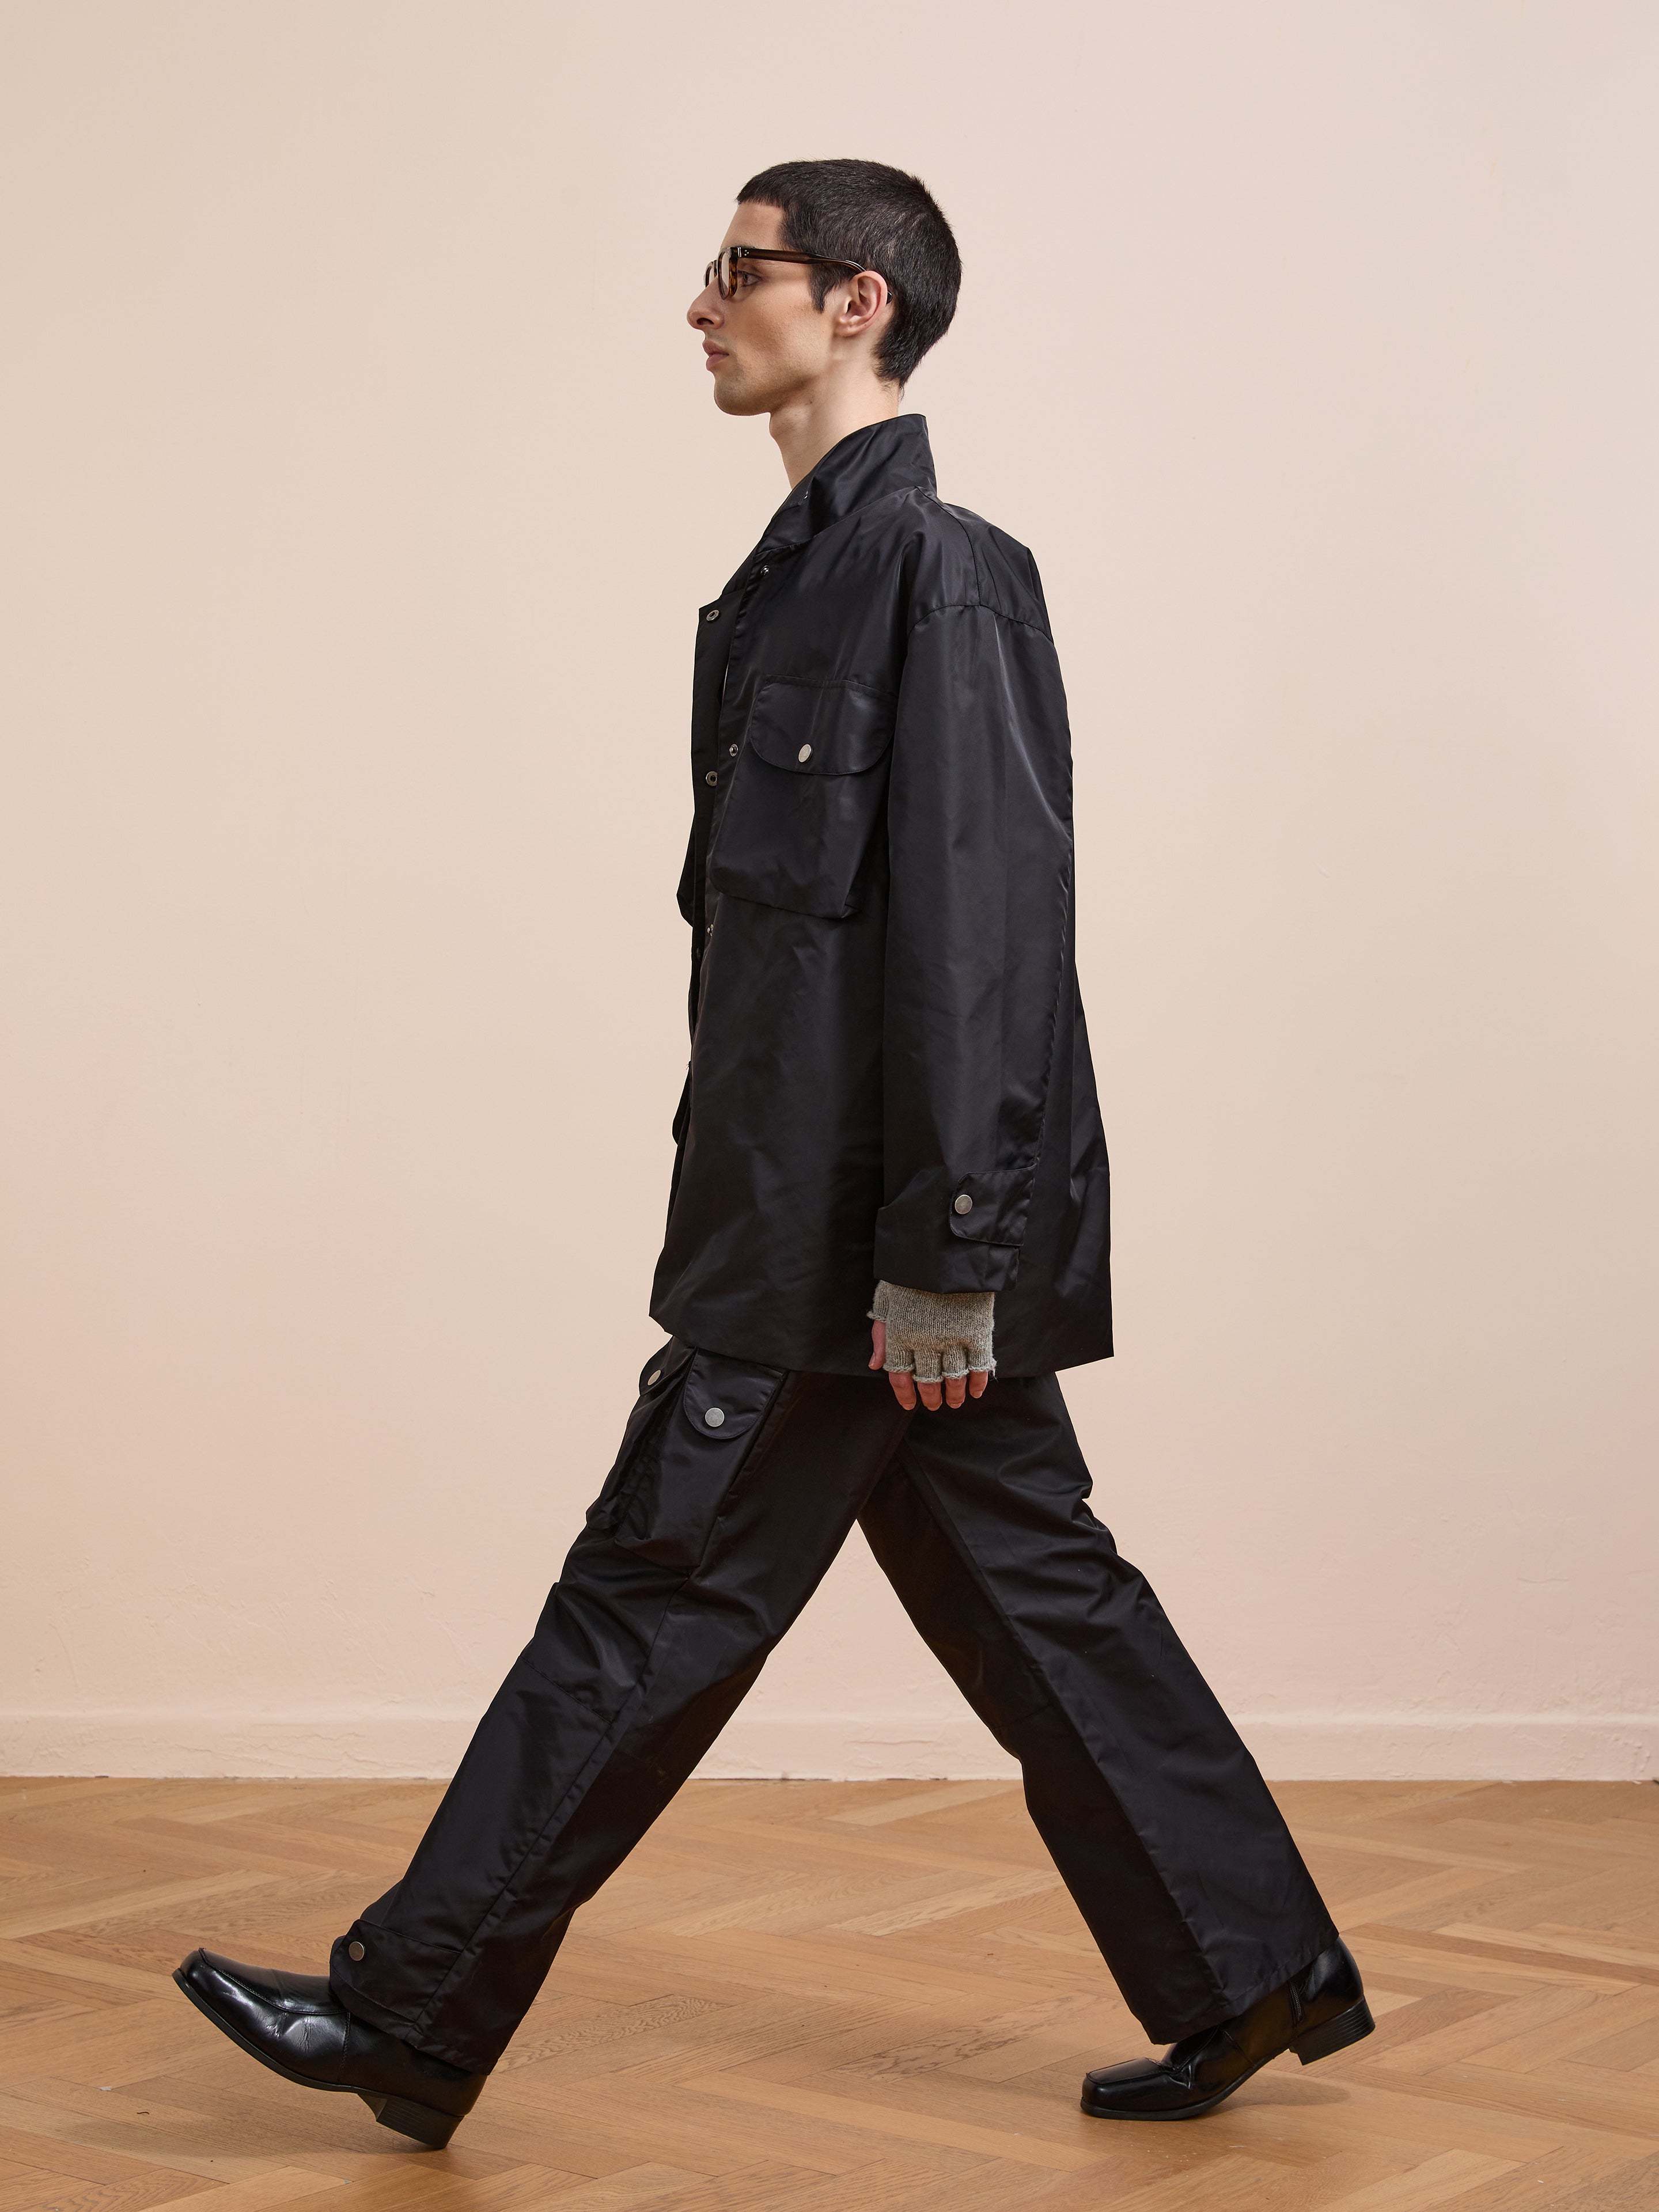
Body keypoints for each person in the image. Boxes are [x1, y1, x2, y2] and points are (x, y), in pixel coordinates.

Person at [174, 157, 1371, 2150]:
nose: (707, 304)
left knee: (644, 1595)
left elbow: (988, 940)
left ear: (862, 305)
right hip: (810, 1219)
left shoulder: (945, 573)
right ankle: (1249, 1965)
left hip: (859, 1257)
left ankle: (414, 2009)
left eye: (745, 272)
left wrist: (948, 1257)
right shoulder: (783, 590)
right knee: (1037, 1592)